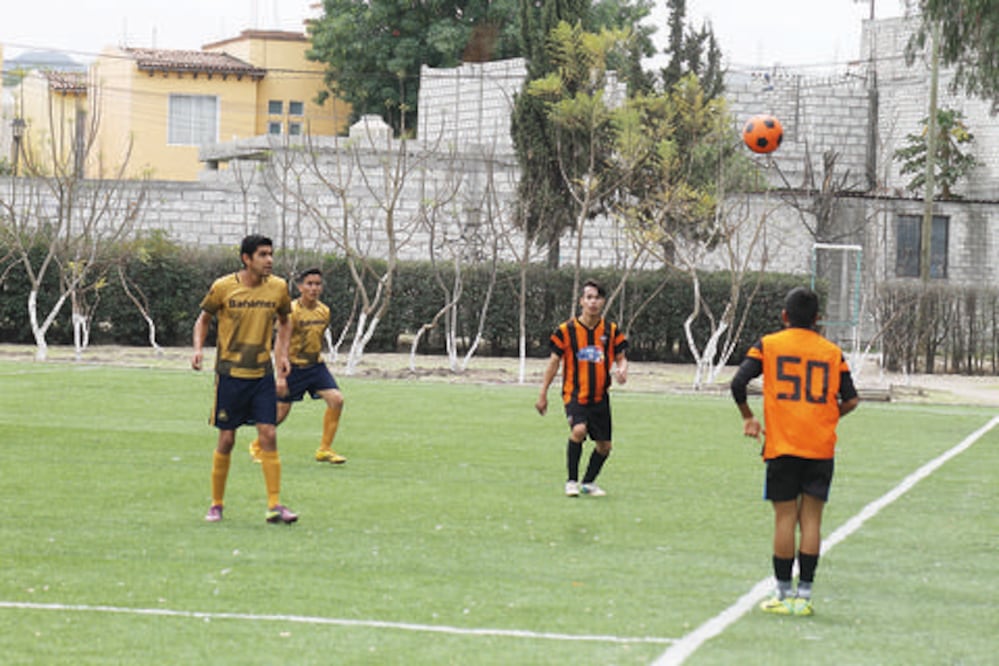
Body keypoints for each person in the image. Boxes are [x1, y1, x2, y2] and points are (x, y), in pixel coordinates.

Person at [730, 286, 859, 616]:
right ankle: (804, 597)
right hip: (819, 446)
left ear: (784, 316)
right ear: (818, 320)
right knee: (811, 519)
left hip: (782, 445)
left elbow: (737, 383)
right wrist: (828, 416)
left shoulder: (769, 345)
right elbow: (852, 399)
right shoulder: (831, 352)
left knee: (784, 518)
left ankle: (782, 593)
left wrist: (748, 417)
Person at [191, 234, 299, 525]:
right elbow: (203, 319)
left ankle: (275, 505)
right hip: (230, 376)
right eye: (263, 255)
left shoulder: (278, 288)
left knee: (269, 435)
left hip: (261, 374)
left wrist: (283, 356)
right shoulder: (223, 287)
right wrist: (199, 349)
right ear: (246, 259)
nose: (269, 260)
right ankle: (216, 504)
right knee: (226, 440)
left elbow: (286, 322)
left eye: (271, 254)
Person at [536, 279, 628, 497]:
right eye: (589, 297)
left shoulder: (611, 330)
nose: (593, 302)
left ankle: (588, 483)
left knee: (604, 446)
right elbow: (553, 363)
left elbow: (621, 357)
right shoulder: (565, 331)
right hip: (575, 394)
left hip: (600, 397)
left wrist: (622, 369)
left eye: (597, 297)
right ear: (581, 301)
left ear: (603, 301)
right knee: (579, 430)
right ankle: (571, 481)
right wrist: (543, 394)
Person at [248, 267, 347, 465]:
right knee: (280, 413)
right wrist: (281, 376)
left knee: (336, 400)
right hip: (293, 368)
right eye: (309, 284)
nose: (314, 288)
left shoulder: (324, 311)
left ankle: (324, 449)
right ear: (300, 287)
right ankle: (257, 445)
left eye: (318, 284)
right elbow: (280, 344)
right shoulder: (290, 312)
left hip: (316, 366)